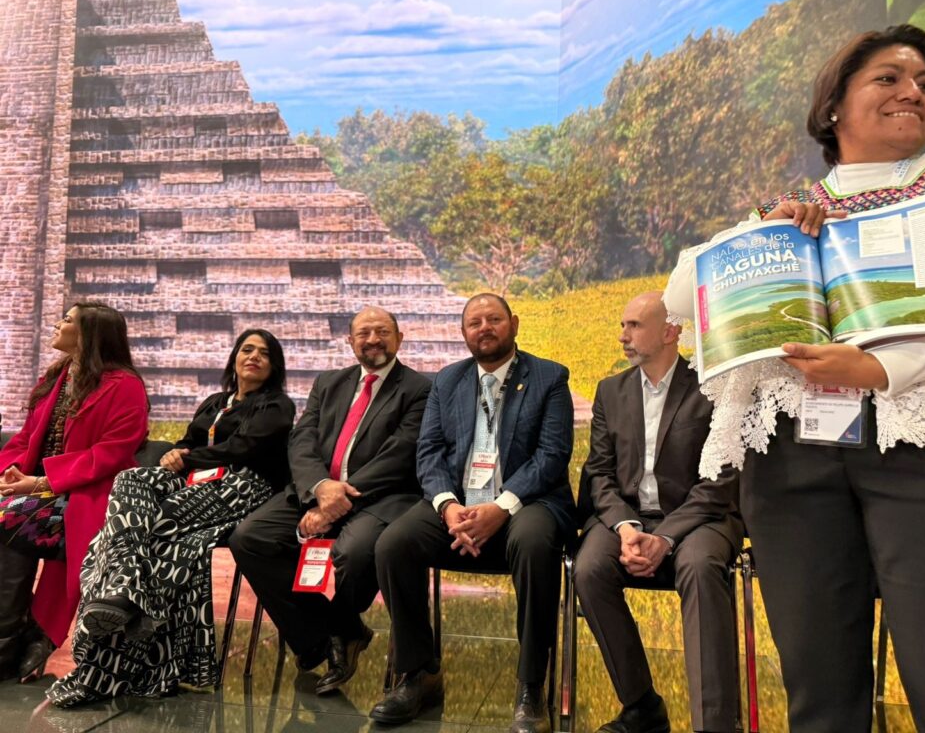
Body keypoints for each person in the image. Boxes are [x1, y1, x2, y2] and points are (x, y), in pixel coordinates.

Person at [664, 24, 925, 733]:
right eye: (889, 78)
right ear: (833, 106)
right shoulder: (785, 209)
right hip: (792, 458)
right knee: (819, 691)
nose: (913, 92)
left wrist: (883, 367)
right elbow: (681, 298)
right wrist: (761, 234)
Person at [46, 328, 295, 707]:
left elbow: (244, 448)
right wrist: (177, 451)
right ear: (234, 358)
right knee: (131, 483)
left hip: (244, 487)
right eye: (247, 349)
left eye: (264, 353)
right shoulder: (215, 403)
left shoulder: (277, 406)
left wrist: (187, 457)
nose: (254, 357)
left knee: (149, 534)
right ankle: (125, 588)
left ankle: (100, 673)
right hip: (194, 485)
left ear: (274, 366)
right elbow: (189, 441)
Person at [370, 293, 574, 733]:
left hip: (526, 503)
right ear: (463, 333)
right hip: (458, 504)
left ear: (513, 324)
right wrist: (447, 507)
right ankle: (419, 672)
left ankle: (531, 685)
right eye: (474, 323)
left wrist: (500, 507)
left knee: (535, 542)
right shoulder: (448, 380)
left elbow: (552, 455)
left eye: (494, 319)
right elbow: (429, 452)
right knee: (394, 543)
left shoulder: (549, 377)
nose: (485, 328)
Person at [229, 307, 431, 694]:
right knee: (250, 538)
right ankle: (337, 632)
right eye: (364, 333)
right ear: (350, 341)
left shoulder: (419, 388)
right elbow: (302, 440)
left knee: (354, 555)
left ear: (399, 338)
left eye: (382, 331)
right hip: (316, 490)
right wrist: (321, 488)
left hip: (379, 497)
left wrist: (339, 498)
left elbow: (401, 453)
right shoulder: (329, 382)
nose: (373, 340)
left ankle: (336, 631)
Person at [573, 292, 743, 733]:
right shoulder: (611, 391)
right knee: (589, 569)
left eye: (634, 325)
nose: (622, 336)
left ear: (670, 332)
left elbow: (720, 482)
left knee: (700, 567)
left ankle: (715, 725)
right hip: (628, 516)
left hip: (700, 517)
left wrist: (665, 538)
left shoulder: (712, 386)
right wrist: (627, 527)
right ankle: (642, 707)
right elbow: (599, 473)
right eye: (623, 325)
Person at [0, 302, 148, 683]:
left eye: (67, 320)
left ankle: (10, 641)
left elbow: (111, 453)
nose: (57, 324)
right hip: (38, 491)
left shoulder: (125, 386)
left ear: (88, 335)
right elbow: (25, 439)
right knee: (8, 512)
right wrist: (8, 472)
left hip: (87, 496)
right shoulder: (57, 377)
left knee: (7, 519)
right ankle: (16, 638)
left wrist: (42, 482)